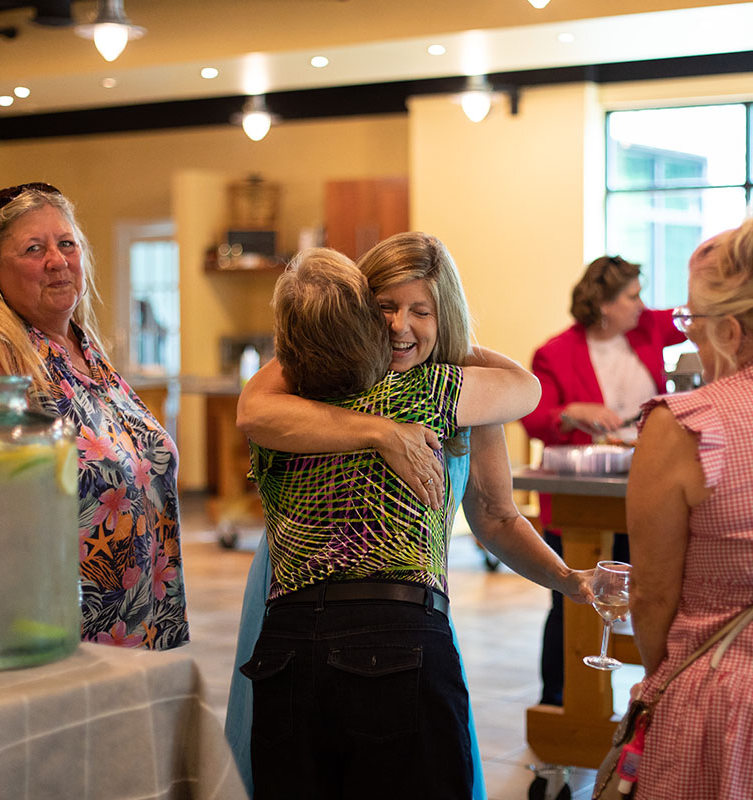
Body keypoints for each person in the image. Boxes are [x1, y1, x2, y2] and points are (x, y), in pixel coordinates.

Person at [228, 231, 593, 798]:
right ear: (355, 312)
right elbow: (528, 387)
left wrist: (565, 578)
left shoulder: (297, 394)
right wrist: (388, 425)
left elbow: (496, 519)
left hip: (290, 640)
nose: (399, 326)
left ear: (444, 315)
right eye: (384, 308)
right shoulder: (440, 390)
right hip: (391, 634)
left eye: (421, 311)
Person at [0, 182, 188, 650]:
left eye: (66, 244)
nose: (57, 260)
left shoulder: (87, 350)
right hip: (60, 631)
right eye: (34, 249)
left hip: (143, 620)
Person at [520, 255, 684, 705]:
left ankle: (650, 693)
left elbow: (697, 316)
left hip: (647, 485)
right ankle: (558, 700)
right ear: (605, 304)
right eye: (632, 295)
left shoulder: (647, 328)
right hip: (584, 495)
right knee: (569, 601)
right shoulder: (555, 352)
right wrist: (572, 413)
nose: (642, 304)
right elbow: (536, 418)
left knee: (647, 592)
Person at [625, 225, 753, 800]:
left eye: (691, 323)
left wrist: (661, 678)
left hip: (722, 695)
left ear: (729, 330)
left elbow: (652, 598)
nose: (689, 340)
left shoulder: (683, 425)